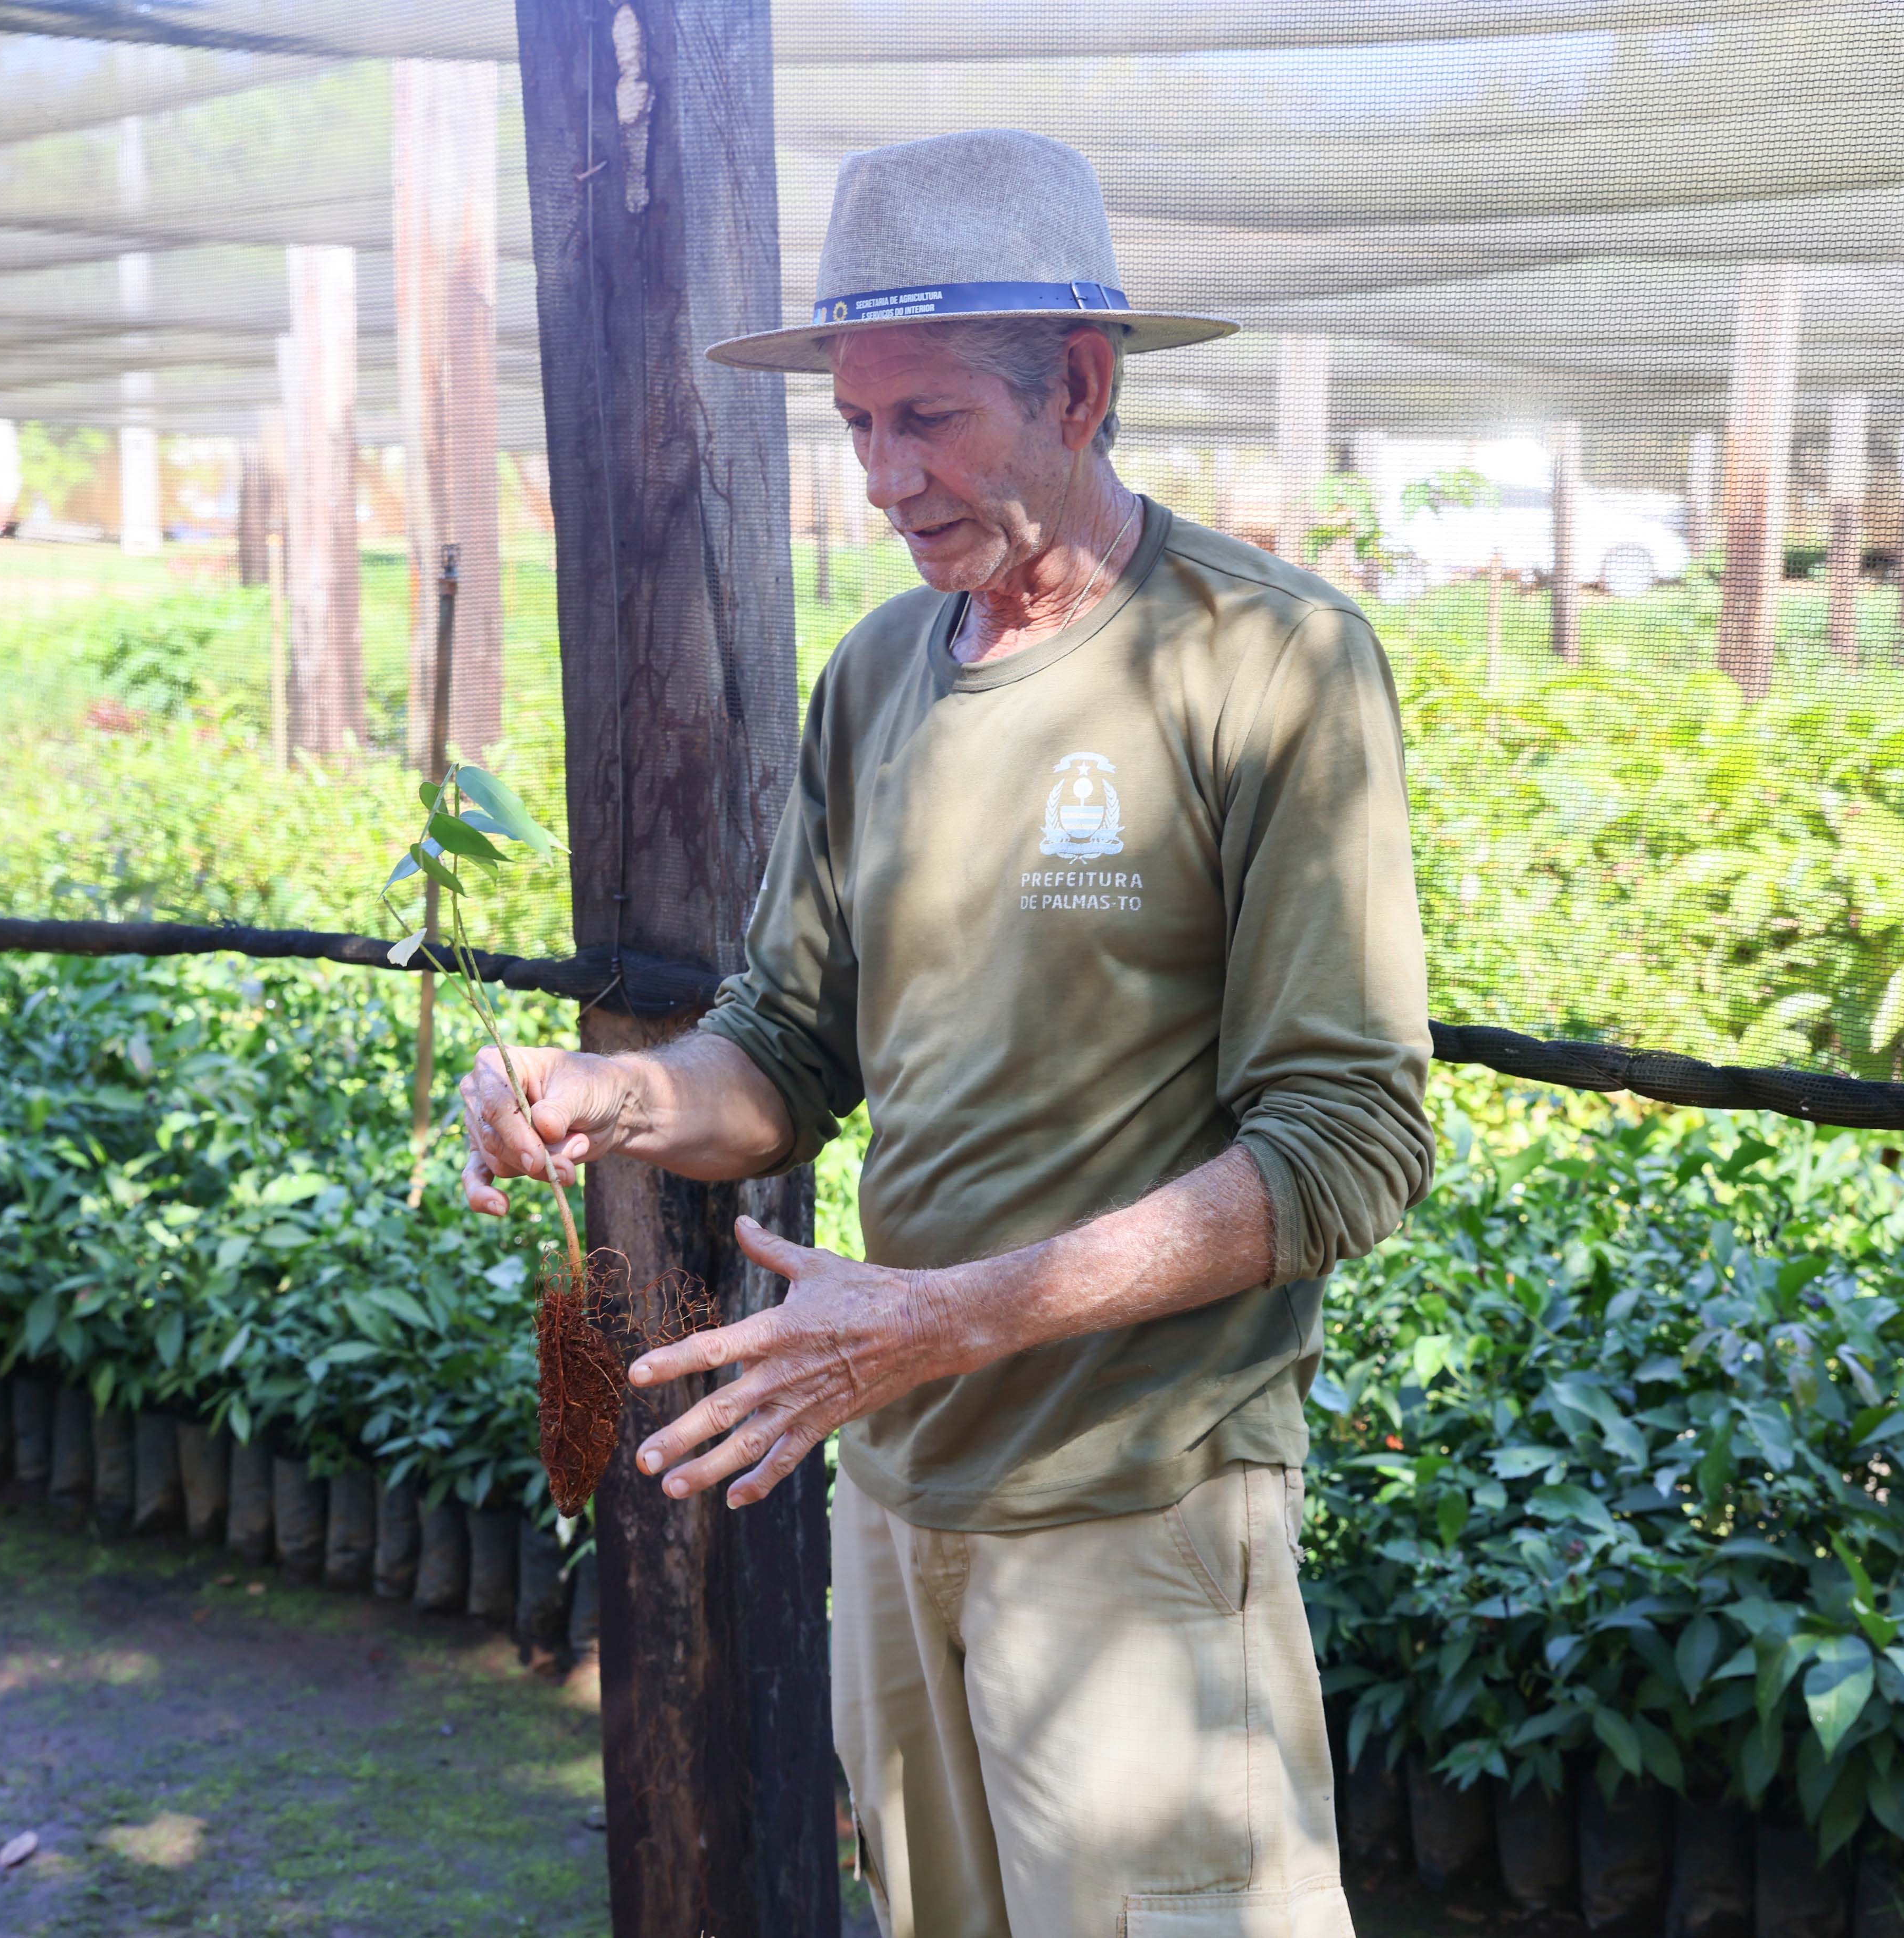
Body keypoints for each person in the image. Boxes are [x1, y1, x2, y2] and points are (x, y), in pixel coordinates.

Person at [459, 127, 1433, 1938]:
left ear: (1079, 385)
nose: (885, 480)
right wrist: (615, 1095)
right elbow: (788, 1057)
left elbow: (1353, 1145)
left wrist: (948, 1317)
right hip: (899, 1490)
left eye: (931, 422)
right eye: (855, 426)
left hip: (1137, 1508)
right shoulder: (877, 679)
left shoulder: (1268, 664)